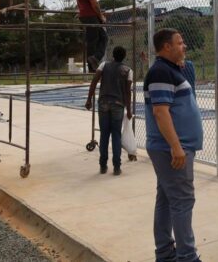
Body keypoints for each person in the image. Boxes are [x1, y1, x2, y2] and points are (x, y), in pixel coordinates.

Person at [144, 28, 203, 262]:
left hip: (172, 147)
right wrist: (176, 147)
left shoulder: (169, 69)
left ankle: (165, 252)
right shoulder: (160, 72)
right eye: (180, 43)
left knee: (167, 199)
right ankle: (187, 256)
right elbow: (160, 112)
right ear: (167, 46)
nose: (184, 46)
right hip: (172, 149)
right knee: (182, 201)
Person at [85, 46, 133, 175]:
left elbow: (94, 82)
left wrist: (89, 99)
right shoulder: (128, 70)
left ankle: (103, 165)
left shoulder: (103, 65)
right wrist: (129, 110)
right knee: (116, 135)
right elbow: (128, 93)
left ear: (112, 55)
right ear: (124, 57)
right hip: (118, 105)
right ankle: (117, 166)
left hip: (103, 104)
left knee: (104, 134)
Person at [76, 0, 115, 72]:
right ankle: (94, 60)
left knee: (95, 39)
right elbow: (94, 4)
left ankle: (92, 63)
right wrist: (101, 16)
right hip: (90, 15)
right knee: (99, 39)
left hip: (85, 15)